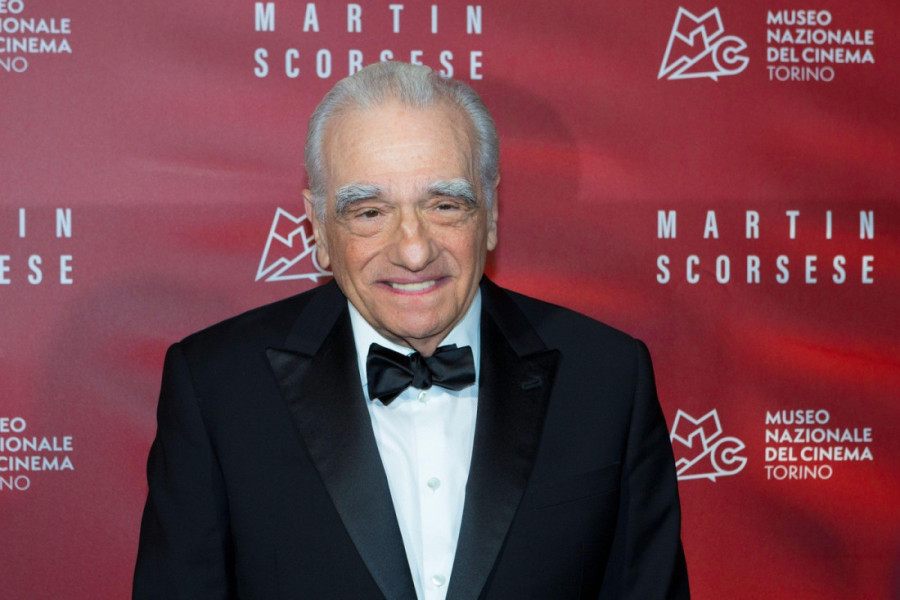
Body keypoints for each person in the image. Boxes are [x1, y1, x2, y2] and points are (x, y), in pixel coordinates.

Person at [134, 61, 689, 599]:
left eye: (444, 205)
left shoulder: (606, 379)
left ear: (491, 213)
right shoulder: (219, 391)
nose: (415, 250)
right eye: (370, 212)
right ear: (319, 226)